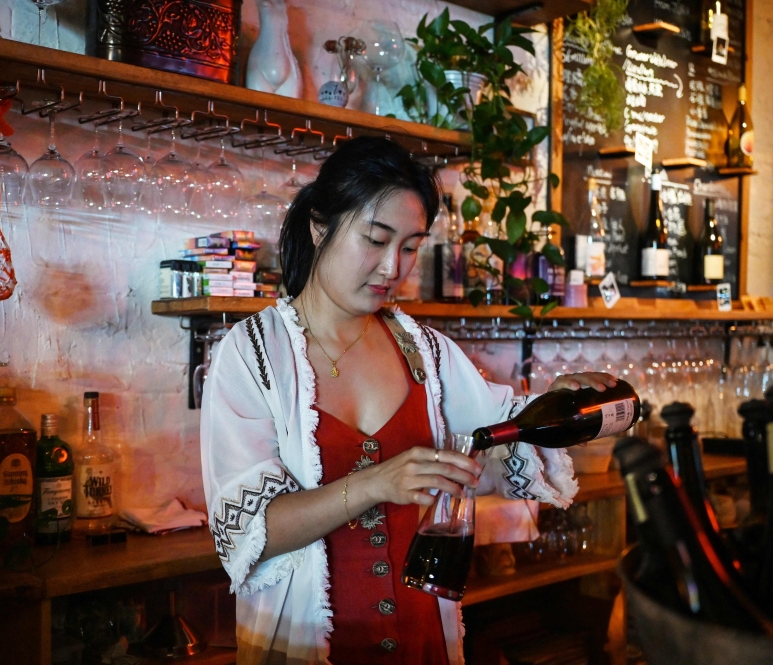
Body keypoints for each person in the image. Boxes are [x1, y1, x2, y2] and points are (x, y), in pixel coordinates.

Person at [201, 137, 616, 665]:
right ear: (319, 226)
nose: (392, 267)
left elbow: (502, 431)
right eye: (375, 240)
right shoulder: (254, 354)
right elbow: (249, 531)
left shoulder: (422, 349)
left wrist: (553, 405)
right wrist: (377, 482)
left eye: (410, 246)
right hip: (305, 647)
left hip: (422, 639)